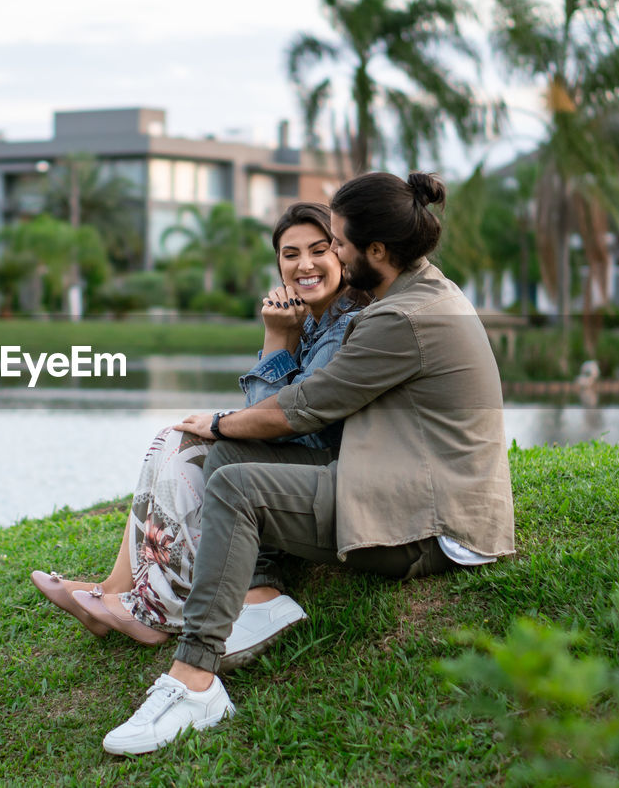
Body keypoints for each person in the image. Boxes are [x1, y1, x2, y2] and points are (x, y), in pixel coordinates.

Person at [99, 171, 516, 756]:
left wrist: (218, 420)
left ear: (376, 251)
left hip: (433, 523)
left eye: (338, 244)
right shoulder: (412, 293)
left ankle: (194, 682)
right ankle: (263, 594)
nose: (331, 255)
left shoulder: (400, 320)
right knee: (227, 457)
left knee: (238, 483)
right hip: (395, 480)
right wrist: (226, 433)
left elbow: (302, 409)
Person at [31, 202, 368, 651]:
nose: (304, 265)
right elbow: (268, 415)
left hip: (321, 472)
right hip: (296, 454)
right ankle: (115, 589)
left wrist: (273, 340)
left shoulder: (347, 326)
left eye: (319, 250)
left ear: (342, 254)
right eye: (290, 254)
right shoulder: (308, 321)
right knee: (170, 437)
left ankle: (157, 611)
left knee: (191, 446)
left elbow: (284, 425)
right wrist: (284, 335)